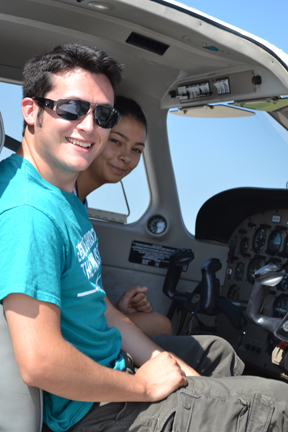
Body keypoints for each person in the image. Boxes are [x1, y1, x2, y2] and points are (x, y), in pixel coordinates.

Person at [1, 43, 287, 432]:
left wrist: (166, 367)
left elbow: (97, 307)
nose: (89, 126)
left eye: (102, 114)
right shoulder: (30, 213)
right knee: (279, 406)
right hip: (94, 413)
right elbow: (41, 363)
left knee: (214, 354)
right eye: (71, 108)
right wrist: (143, 385)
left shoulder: (63, 195)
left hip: (110, 377)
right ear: (31, 111)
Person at [75, 95, 173, 337]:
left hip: (85, 323)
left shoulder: (80, 203)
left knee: (159, 324)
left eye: (136, 150)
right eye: (117, 142)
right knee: (162, 326)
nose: (127, 157)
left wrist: (116, 310)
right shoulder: (60, 201)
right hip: (75, 335)